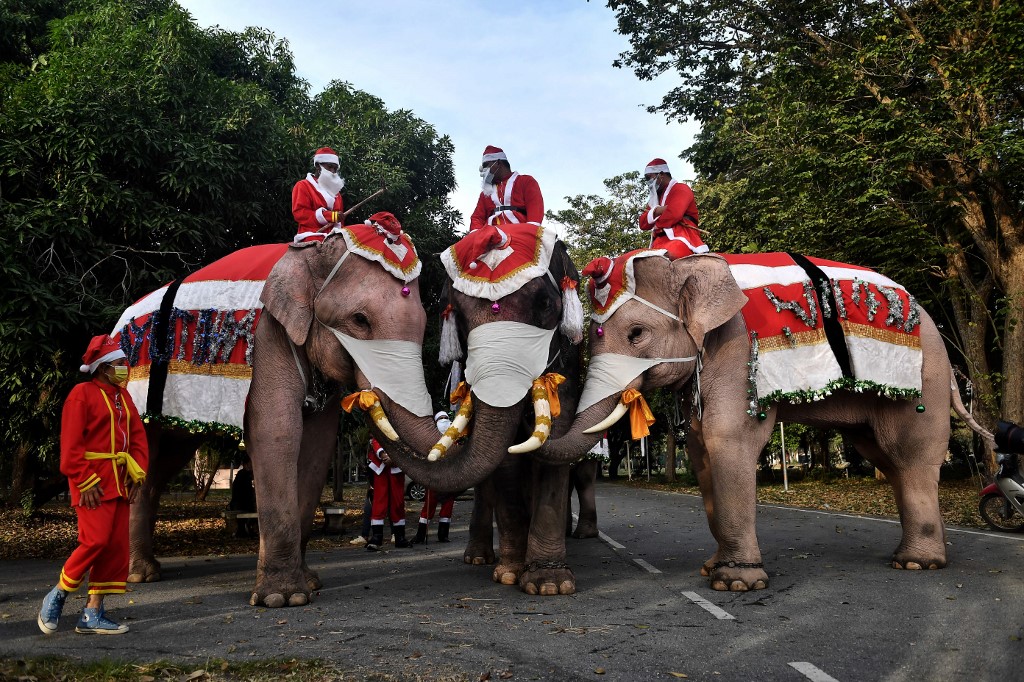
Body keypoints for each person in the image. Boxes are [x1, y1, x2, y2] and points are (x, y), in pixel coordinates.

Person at [38, 334, 149, 636]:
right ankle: (58, 594)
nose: (125, 368)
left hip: (121, 481)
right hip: (93, 482)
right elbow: (71, 446)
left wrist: (137, 474)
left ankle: (92, 613)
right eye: (119, 364)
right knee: (95, 541)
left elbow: (137, 438)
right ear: (102, 368)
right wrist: (84, 480)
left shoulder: (123, 397)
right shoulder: (81, 394)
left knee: (114, 548)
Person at [639, 158, 708, 258]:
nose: (648, 182)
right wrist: (658, 210)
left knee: (668, 256)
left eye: (649, 178)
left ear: (661, 174)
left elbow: (673, 214)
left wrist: (655, 219)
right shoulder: (655, 199)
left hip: (682, 237)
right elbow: (642, 223)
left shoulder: (681, 188)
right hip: (658, 242)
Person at [469, 145, 544, 230]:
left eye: (486, 166)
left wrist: (530, 233)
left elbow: (535, 209)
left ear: (497, 163)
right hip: (491, 236)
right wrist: (476, 236)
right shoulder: (485, 194)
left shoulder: (526, 181)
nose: (484, 171)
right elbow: (477, 218)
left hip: (520, 233)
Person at [410, 412, 457, 544]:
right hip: (434, 477)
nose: (444, 421)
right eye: (441, 419)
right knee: (429, 505)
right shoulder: (429, 439)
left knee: (448, 506)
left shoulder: (456, 439)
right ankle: (420, 535)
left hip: (449, 478)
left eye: (446, 418)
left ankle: (443, 535)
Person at [291, 146, 345, 241]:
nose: (333, 171)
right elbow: (300, 214)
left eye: (335, 168)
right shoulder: (303, 186)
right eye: (330, 167)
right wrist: (330, 216)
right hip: (311, 235)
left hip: (335, 237)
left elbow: (340, 222)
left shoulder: (337, 194)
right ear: (317, 166)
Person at [366, 438, 409, 550]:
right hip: (380, 465)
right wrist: (383, 454)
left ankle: (400, 537)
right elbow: (375, 438)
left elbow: (406, 441)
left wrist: (395, 457)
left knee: (398, 501)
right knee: (379, 501)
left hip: (398, 465)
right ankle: (376, 537)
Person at [228, 455, 257, 538]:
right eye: (249, 464)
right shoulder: (243, 474)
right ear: (245, 464)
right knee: (248, 513)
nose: (251, 466)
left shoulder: (247, 474)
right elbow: (243, 492)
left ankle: (244, 530)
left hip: (244, 503)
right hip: (241, 503)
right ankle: (243, 530)